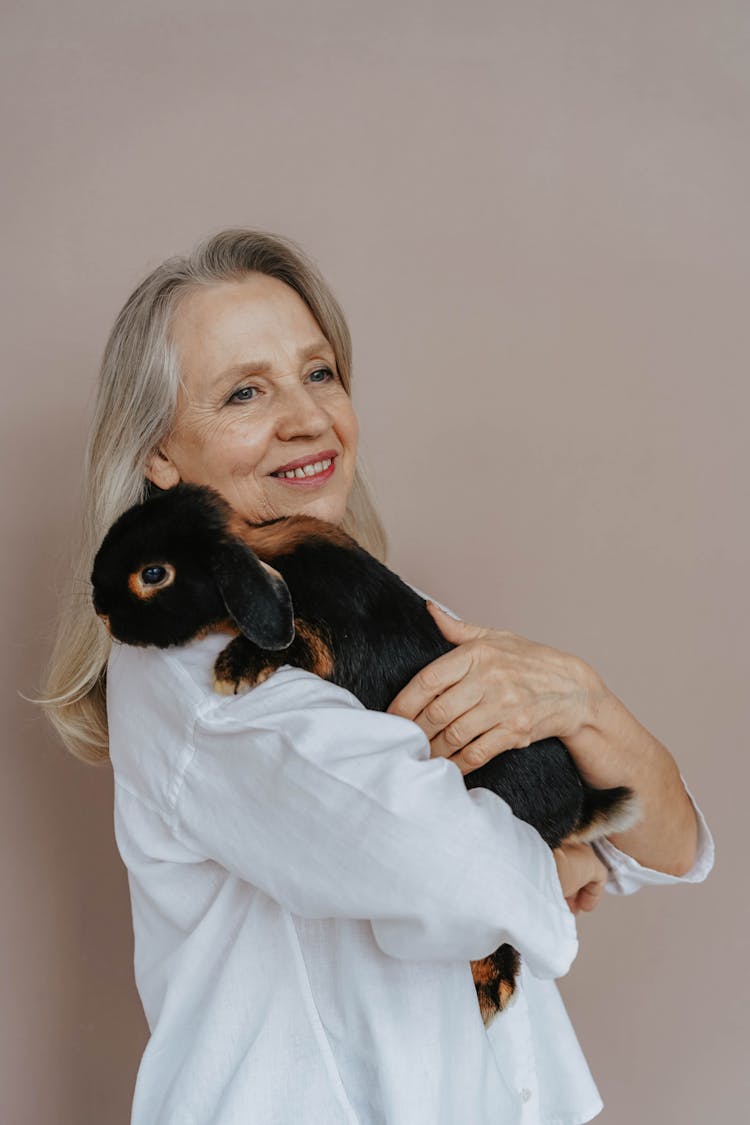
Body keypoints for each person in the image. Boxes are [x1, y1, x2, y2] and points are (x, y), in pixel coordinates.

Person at [42, 228, 714, 1124]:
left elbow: (661, 851)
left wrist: (583, 702)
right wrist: (542, 854)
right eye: (245, 391)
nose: (306, 417)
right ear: (160, 454)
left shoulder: (381, 610)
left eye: (319, 374)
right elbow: (449, 865)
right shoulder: (189, 673)